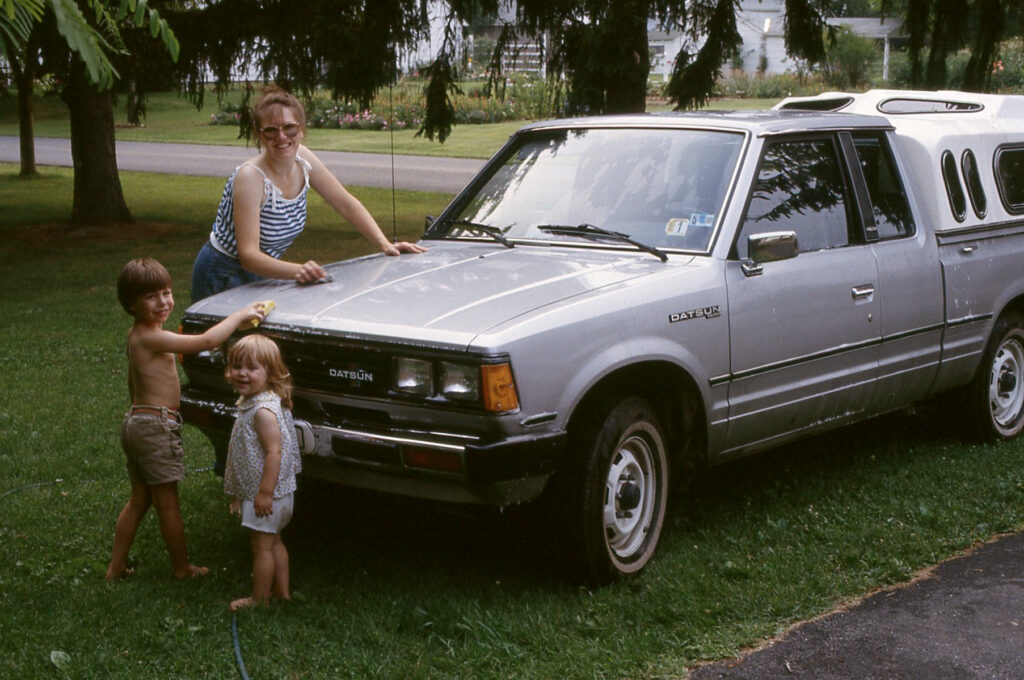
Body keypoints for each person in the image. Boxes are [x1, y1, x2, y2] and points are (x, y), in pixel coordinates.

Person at [108, 258, 266, 581]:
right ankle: (182, 568)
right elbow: (205, 342)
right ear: (131, 304)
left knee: (139, 499)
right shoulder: (152, 337)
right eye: (151, 296)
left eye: (166, 292)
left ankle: (116, 567)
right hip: (154, 427)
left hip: (138, 422)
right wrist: (238, 316)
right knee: (167, 504)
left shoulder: (137, 336)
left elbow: (132, 381)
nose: (163, 301)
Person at [191, 85, 426, 301]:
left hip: (265, 269)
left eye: (289, 128)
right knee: (219, 346)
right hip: (222, 272)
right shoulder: (250, 178)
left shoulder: (303, 159)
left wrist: (385, 244)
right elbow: (249, 256)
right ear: (260, 135)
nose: (282, 137)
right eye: (271, 130)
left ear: (301, 129)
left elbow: (345, 203)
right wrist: (299, 270)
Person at [222, 334, 302, 611]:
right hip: (278, 493)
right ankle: (282, 592)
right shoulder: (262, 400)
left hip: (268, 494)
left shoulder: (262, 411)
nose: (242, 373)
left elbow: (274, 453)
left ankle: (259, 599)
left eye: (252, 368)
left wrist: (264, 494)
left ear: (271, 373)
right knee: (275, 542)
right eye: (237, 366)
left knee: (261, 548)